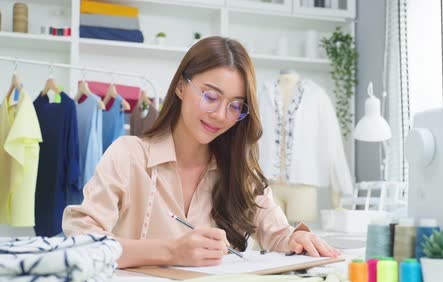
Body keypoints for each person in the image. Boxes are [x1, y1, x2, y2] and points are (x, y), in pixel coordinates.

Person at [62, 36, 340, 268]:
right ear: (181, 86)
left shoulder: (239, 171)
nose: (220, 115)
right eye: (211, 96)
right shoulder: (128, 156)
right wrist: (171, 251)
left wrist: (295, 240)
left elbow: (278, 234)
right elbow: (82, 243)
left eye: (235, 105)